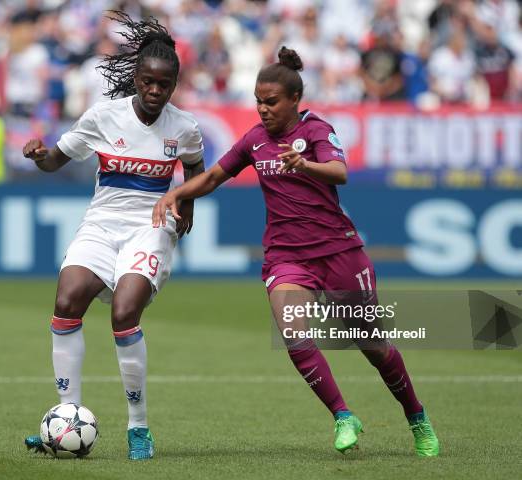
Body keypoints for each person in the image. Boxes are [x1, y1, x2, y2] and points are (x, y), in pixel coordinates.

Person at [153, 46, 439, 457]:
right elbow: (215, 175)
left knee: (373, 346)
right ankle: (343, 415)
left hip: (339, 253)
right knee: (293, 332)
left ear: (293, 101)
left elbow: (340, 172)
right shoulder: (254, 140)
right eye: (257, 102)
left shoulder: (317, 132)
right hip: (287, 257)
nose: (262, 110)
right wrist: (177, 193)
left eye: (270, 102)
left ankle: (417, 417)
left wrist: (304, 166)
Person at [22, 11, 204, 460]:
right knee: (66, 302)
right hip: (101, 225)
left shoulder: (184, 128)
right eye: (148, 81)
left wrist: (186, 203)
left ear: (174, 85)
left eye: (164, 85)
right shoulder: (104, 117)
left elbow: (198, 170)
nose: (155, 91)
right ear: (137, 78)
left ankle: (138, 427)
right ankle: (67, 416)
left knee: (124, 312)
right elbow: (56, 161)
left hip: (151, 229)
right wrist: (40, 155)